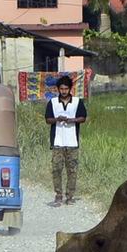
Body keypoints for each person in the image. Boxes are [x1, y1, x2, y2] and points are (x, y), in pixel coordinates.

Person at [45, 73, 87, 206]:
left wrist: (72, 120)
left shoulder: (77, 102)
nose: (63, 91)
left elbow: (83, 117)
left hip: (72, 141)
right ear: (58, 89)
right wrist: (58, 119)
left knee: (72, 170)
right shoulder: (52, 103)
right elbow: (48, 119)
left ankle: (70, 196)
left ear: (70, 89)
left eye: (66, 89)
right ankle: (58, 194)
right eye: (61, 89)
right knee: (56, 169)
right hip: (57, 142)